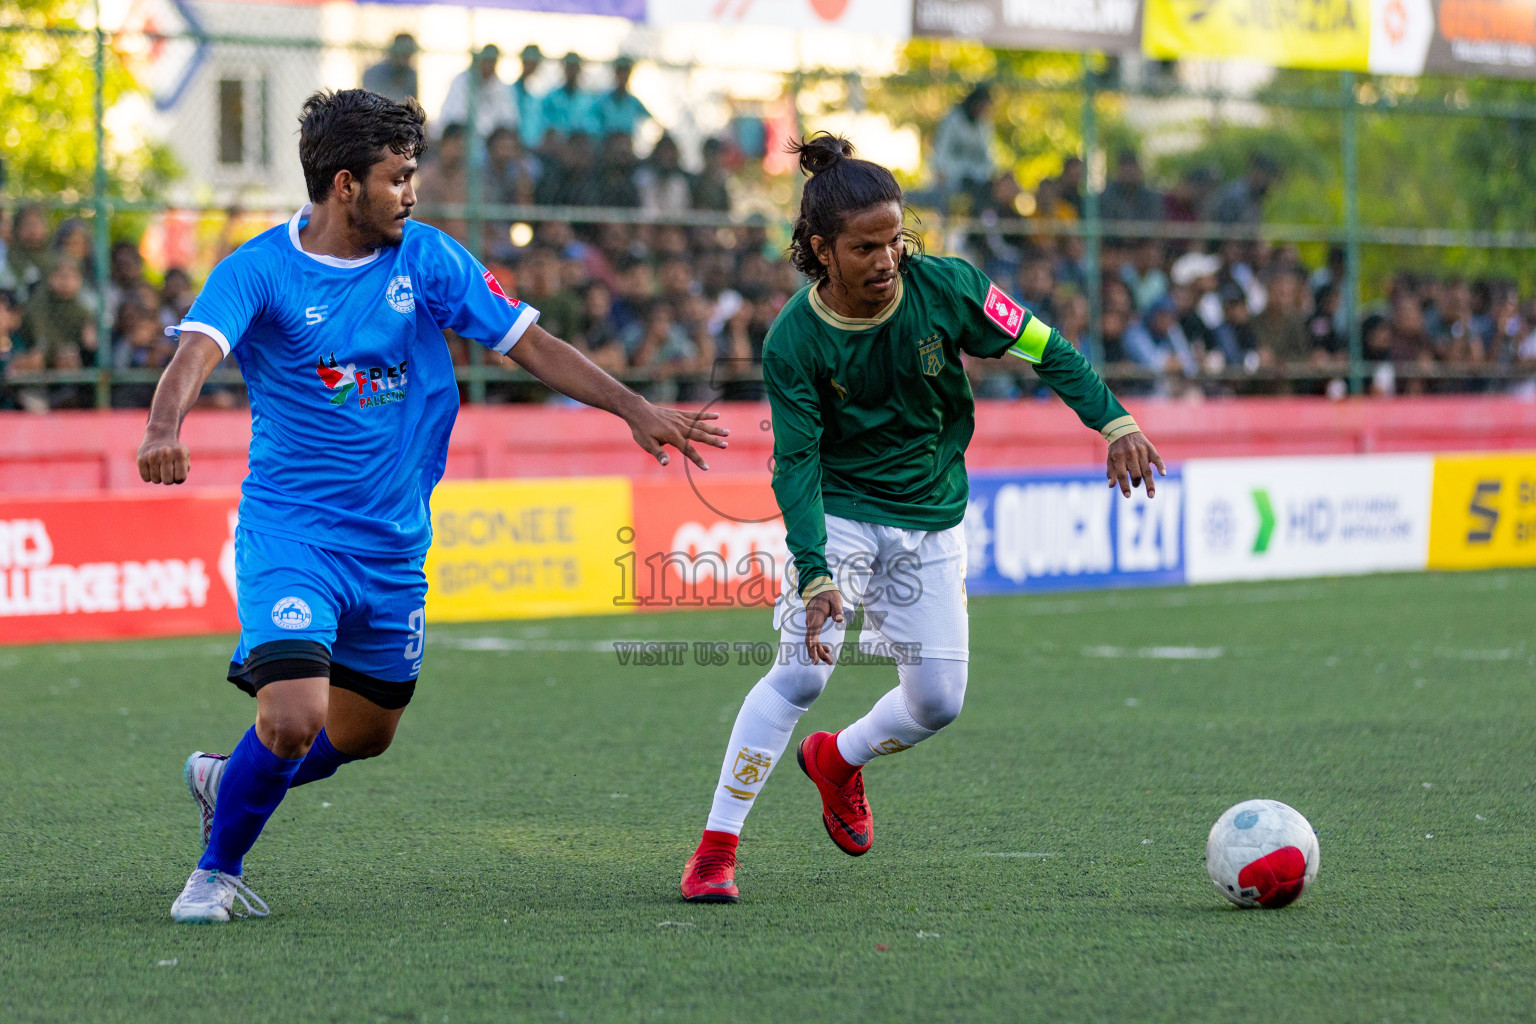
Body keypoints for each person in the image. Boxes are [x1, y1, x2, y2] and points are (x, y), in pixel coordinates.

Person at [138, 89, 727, 924]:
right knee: (294, 716)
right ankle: (214, 873)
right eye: (398, 176)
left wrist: (633, 406)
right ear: (346, 185)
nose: (412, 192)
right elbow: (197, 350)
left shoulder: (428, 260)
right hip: (293, 534)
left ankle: (225, 778)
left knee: (365, 734)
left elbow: (528, 341)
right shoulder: (258, 269)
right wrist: (164, 425)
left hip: (393, 545)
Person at [678, 134, 1163, 904]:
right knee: (804, 669)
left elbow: (1047, 348)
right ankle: (716, 849)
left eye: (894, 241)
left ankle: (838, 760)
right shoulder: (794, 342)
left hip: (932, 518)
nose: (884, 261)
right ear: (818, 250)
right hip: (840, 513)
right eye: (864, 247)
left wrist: (1115, 423)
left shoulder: (951, 289)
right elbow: (796, 464)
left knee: (939, 702)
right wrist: (812, 575)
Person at [929, 84, 996, 212]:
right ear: (975, 103)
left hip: (976, 180)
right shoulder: (953, 119)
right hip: (952, 178)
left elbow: (988, 156)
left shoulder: (985, 125)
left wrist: (990, 175)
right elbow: (941, 151)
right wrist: (941, 171)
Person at [438, 45, 517, 144]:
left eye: (492, 61)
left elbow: (509, 120)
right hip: (463, 138)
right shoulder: (462, 80)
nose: (489, 65)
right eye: (486, 60)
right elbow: (455, 117)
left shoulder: (500, 86)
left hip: (490, 143)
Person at [589, 55, 650, 142]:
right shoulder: (602, 101)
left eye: (626, 72)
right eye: (620, 72)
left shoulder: (634, 102)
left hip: (627, 145)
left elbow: (649, 121)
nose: (623, 76)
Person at [540, 52, 597, 142]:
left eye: (574, 67)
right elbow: (545, 124)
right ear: (564, 69)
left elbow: (591, 127)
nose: (572, 71)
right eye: (569, 67)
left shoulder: (587, 99)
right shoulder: (551, 98)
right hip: (557, 146)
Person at [362, 34, 419, 102]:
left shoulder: (411, 74)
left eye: (408, 53)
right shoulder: (374, 72)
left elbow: (413, 103)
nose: (406, 57)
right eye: (402, 52)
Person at [511, 44, 545, 149]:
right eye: (529, 61)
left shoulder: (532, 96)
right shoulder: (510, 91)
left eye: (535, 62)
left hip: (531, 147)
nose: (532, 65)